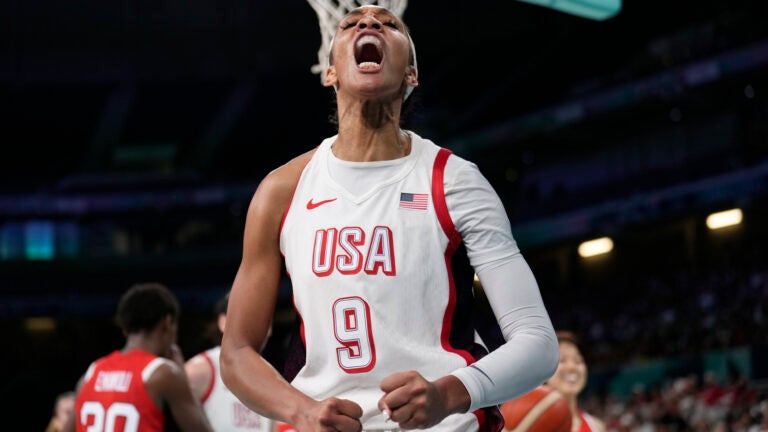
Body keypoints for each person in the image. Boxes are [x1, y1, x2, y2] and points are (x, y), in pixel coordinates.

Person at [220, 5, 559, 431]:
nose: (369, 22)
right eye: (349, 22)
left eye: (391, 23)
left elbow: (539, 343)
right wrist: (299, 409)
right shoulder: (281, 190)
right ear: (330, 73)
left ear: (411, 76)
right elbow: (236, 353)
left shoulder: (454, 182)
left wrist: (448, 393)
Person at [62, 282, 214, 432]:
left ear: (125, 328)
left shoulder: (91, 373)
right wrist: (183, 376)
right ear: (167, 322)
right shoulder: (163, 373)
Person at [185, 292, 275, 431]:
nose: (258, 323)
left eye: (264, 316)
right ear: (223, 322)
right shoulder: (201, 370)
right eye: (248, 315)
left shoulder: (274, 377)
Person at [546, 331, 606, 432]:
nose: (572, 367)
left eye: (578, 361)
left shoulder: (596, 427)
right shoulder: (523, 425)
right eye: (562, 360)